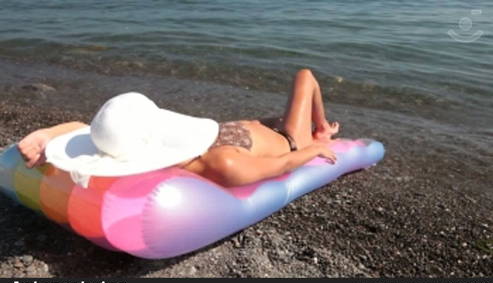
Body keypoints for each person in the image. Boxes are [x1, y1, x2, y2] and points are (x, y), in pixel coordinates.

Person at [17, 69, 339, 187]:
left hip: (236, 131)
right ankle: (322, 126)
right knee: (304, 76)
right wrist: (314, 147)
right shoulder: (223, 165)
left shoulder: (123, 141)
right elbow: (282, 163)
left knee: (265, 118)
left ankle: (309, 125)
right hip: (285, 141)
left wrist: (45, 136)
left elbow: (82, 130)